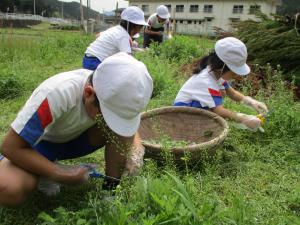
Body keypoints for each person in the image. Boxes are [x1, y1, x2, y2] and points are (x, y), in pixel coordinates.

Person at [0, 52, 153, 206]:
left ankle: (110, 192)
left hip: (75, 141)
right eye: (107, 115)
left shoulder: (120, 95)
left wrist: (136, 149)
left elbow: (128, 131)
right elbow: (10, 147)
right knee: (8, 188)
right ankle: (44, 171)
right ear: (89, 94)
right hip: (38, 146)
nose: (111, 123)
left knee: (121, 134)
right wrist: (59, 173)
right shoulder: (57, 94)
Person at [174, 37, 268, 131]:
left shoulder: (215, 74)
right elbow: (219, 111)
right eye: (234, 71)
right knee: (216, 109)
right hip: (183, 115)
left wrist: (252, 102)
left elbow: (233, 93)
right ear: (222, 67)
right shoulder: (206, 82)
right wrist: (244, 119)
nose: (236, 75)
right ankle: (194, 130)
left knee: (222, 92)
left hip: (193, 111)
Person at [82, 6, 148, 70]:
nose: (139, 31)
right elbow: (128, 60)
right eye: (140, 27)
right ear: (133, 26)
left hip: (88, 58)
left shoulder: (116, 29)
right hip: (95, 62)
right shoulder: (124, 36)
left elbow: (97, 35)